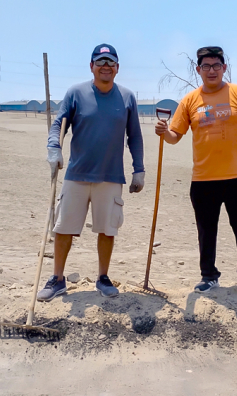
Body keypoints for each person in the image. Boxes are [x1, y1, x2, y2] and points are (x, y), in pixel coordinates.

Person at [155, 46, 237, 302]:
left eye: (216, 65)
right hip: (203, 180)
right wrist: (164, 132)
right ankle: (208, 276)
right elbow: (174, 137)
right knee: (206, 232)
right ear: (198, 70)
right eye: (206, 66)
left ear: (224, 68)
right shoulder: (190, 101)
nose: (211, 70)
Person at [38, 43, 144, 300]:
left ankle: (103, 278)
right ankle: (58, 279)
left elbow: (135, 137)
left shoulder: (127, 97)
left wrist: (138, 169)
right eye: (100, 62)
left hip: (110, 177)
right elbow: (58, 124)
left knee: (107, 230)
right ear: (91, 66)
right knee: (63, 227)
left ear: (117, 68)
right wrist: (54, 147)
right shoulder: (76, 93)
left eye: (110, 62)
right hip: (76, 174)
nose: (105, 66)